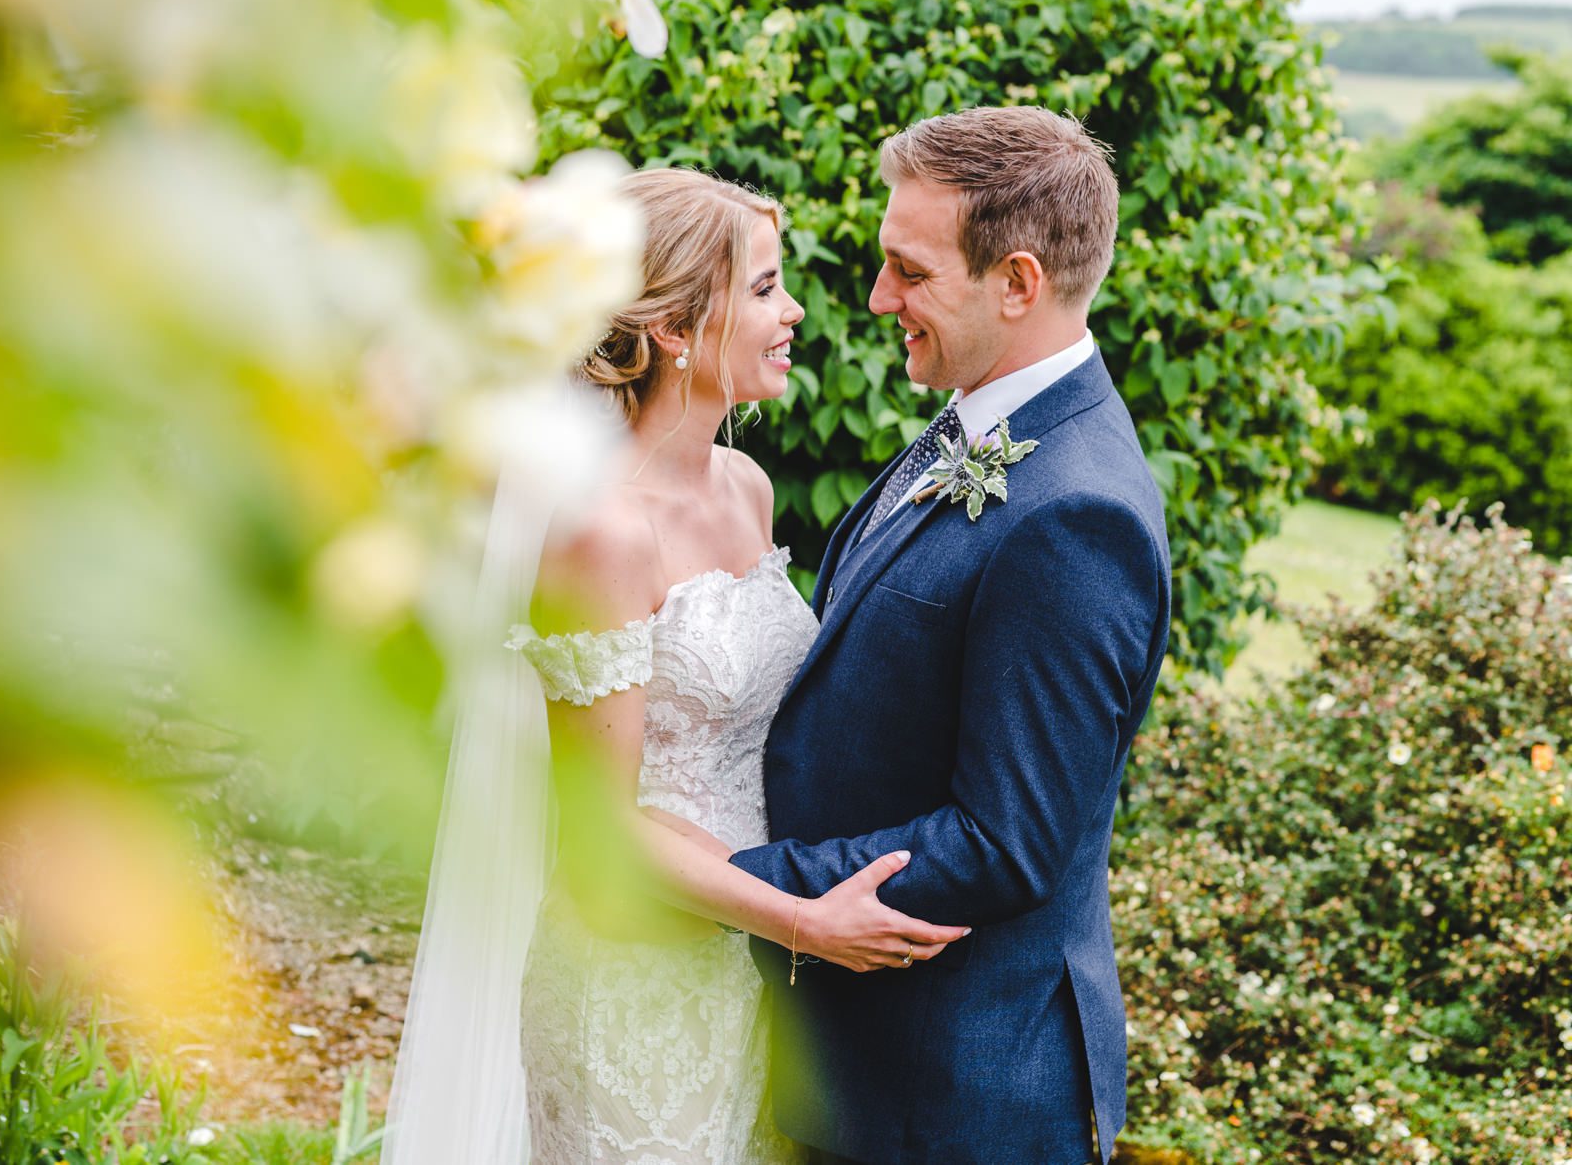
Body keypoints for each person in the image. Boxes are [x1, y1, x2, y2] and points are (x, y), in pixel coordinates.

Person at [381, 167, 962, 1165]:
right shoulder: (598, 535)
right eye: (764, 288)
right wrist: (803, 921)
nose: (792, 314)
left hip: (748, 973)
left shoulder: (746, 488)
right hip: (630, 982)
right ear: (672, 330)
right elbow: (601, 827)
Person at [728, 106, 1173, 1165]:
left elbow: (1002, 840)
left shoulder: (1076, 513)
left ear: (1015, 283)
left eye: (908, 272)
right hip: (866, 1068)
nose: (879, 299)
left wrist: (745, 883)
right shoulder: (979, 417)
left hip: (954, 1099)